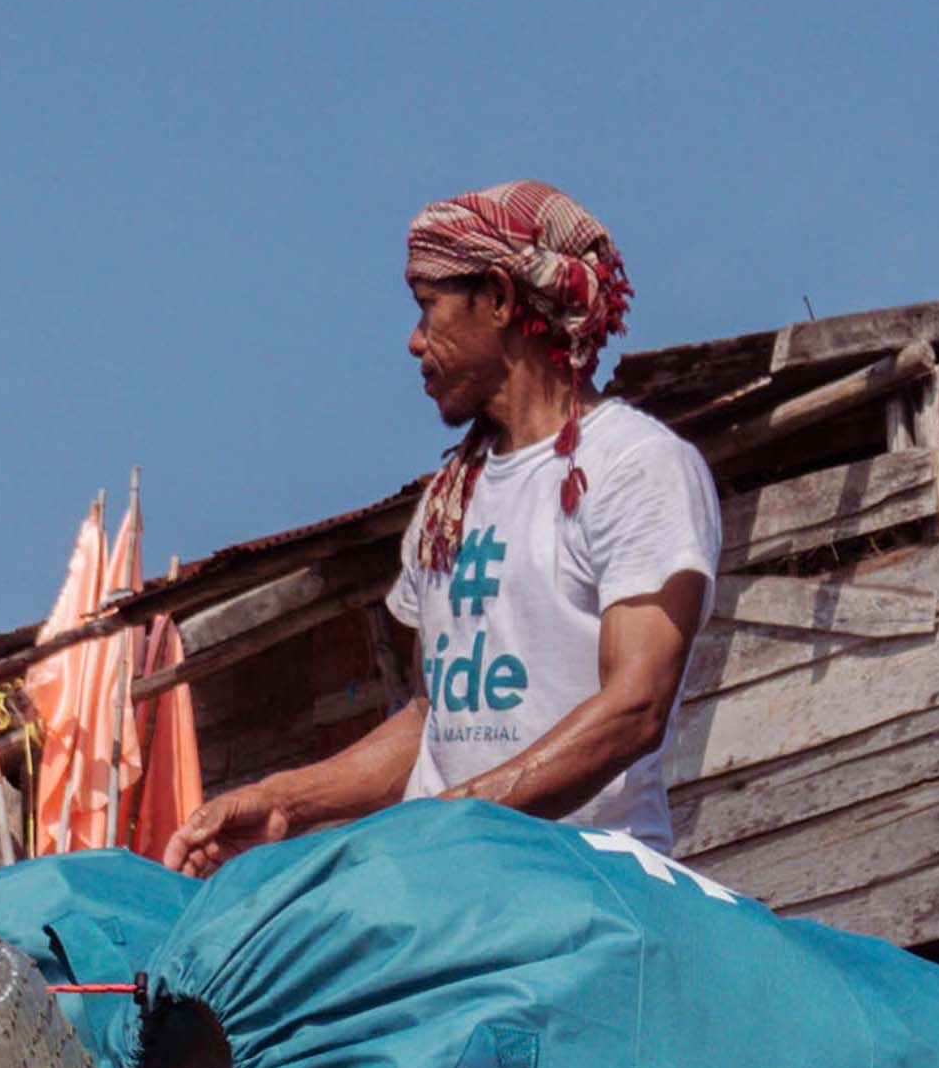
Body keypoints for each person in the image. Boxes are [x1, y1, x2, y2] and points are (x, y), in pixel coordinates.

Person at [166, 181, 718, 868]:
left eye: (428, 308)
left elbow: (635, 707)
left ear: (499, 298)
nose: (414, 340)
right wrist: (284, 800)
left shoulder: (637, 466)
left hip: (584, 882)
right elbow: (435, 721)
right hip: (453, 885)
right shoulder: (451, 499)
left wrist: (453, 819)